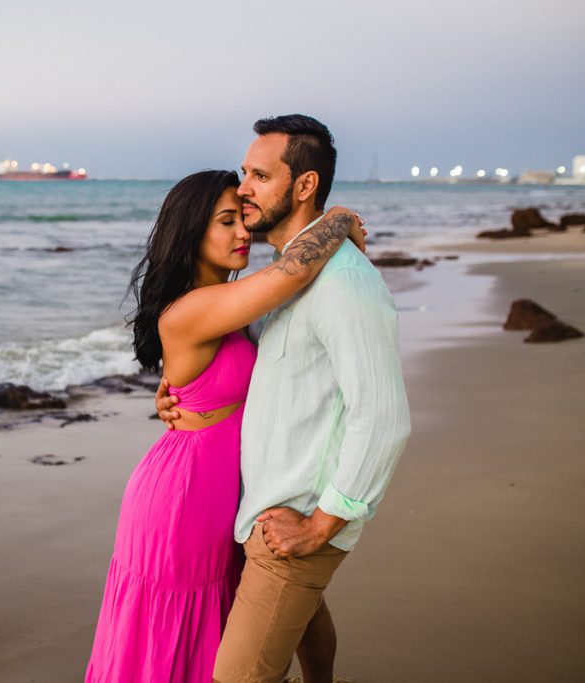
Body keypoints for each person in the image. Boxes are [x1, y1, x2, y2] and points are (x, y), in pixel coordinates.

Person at [156, 115, 412, 683]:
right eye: (244, 172)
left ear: (304, 186)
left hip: (294, 519)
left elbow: (384, 417)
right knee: (302, 632)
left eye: (259, 175)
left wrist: (324, 522)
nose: (243, 187)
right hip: (260, 507)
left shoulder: (342, 281)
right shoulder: (280, 278)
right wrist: (185, 391)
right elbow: (241, 362)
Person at [85, 167, 365, 683]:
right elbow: (294, 271)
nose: (244, 234)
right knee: (190, 635)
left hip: (227, 486)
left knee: (290, 607)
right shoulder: (192, 309)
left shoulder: (227, 308)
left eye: (243, 219)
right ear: (192, 232)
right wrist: (340, 218)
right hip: (185, 502)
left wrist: (182, 394)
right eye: (226, 221)